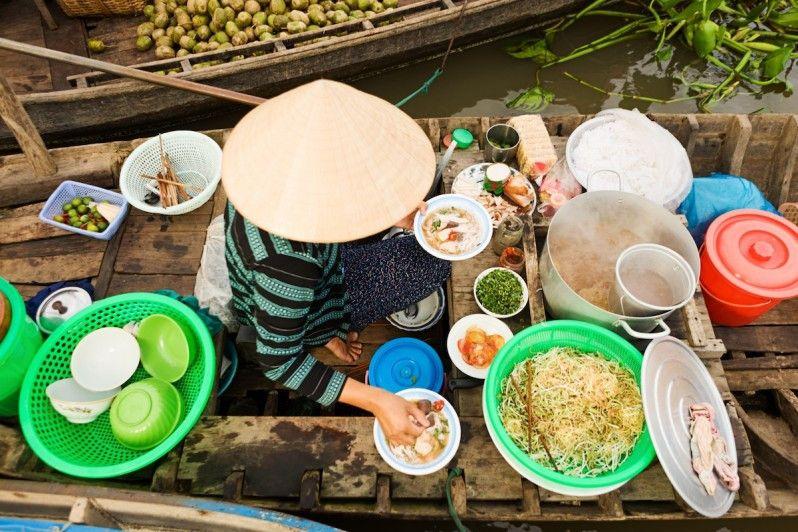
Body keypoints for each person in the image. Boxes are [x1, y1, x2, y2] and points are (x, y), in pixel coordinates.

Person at [221, 79, 449, 445]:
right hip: (293, 306)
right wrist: (376, 399)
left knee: (413, 247)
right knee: (433, 265)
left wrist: (391, 209)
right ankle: (322, 330)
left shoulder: (260, 176)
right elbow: (278, 359)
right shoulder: (290, 265)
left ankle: (326, 330)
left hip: (312, 279)